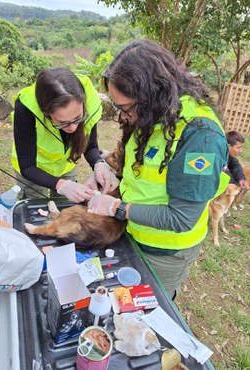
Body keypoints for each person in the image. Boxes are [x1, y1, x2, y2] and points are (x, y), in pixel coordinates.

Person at [87, 40, 230, 299]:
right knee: (122, 301)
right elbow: (140, 164)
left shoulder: (200, 137)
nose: (121, 117)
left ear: (152, 94)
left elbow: (181, 217)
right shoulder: (154, 114)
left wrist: (115, 208)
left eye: (125, 108)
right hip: (132, 232)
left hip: (165, 251)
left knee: (150, 309)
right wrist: (106, 172)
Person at [11, 67, 118, 201]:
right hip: (34, 170)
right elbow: (27, 167)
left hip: (65, 166)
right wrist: (63, 185)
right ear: (46, 113)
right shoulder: (26, 107)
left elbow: (90, 146)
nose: (73, 128)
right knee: (35, 211)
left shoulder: (90, 101)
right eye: (63, 123)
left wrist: (98, 163)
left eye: (78, 118)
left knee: (65, 211)